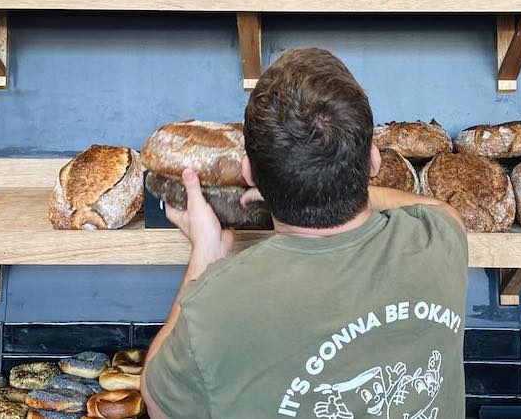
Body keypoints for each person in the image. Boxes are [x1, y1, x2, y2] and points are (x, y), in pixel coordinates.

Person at [142, 47, 468, 419]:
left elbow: (158, 404)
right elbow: (442, 210)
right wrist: (338, 179)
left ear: (250, 174)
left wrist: (205, 252)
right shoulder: (439, 240)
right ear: (374, 162)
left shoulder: (214, 306)